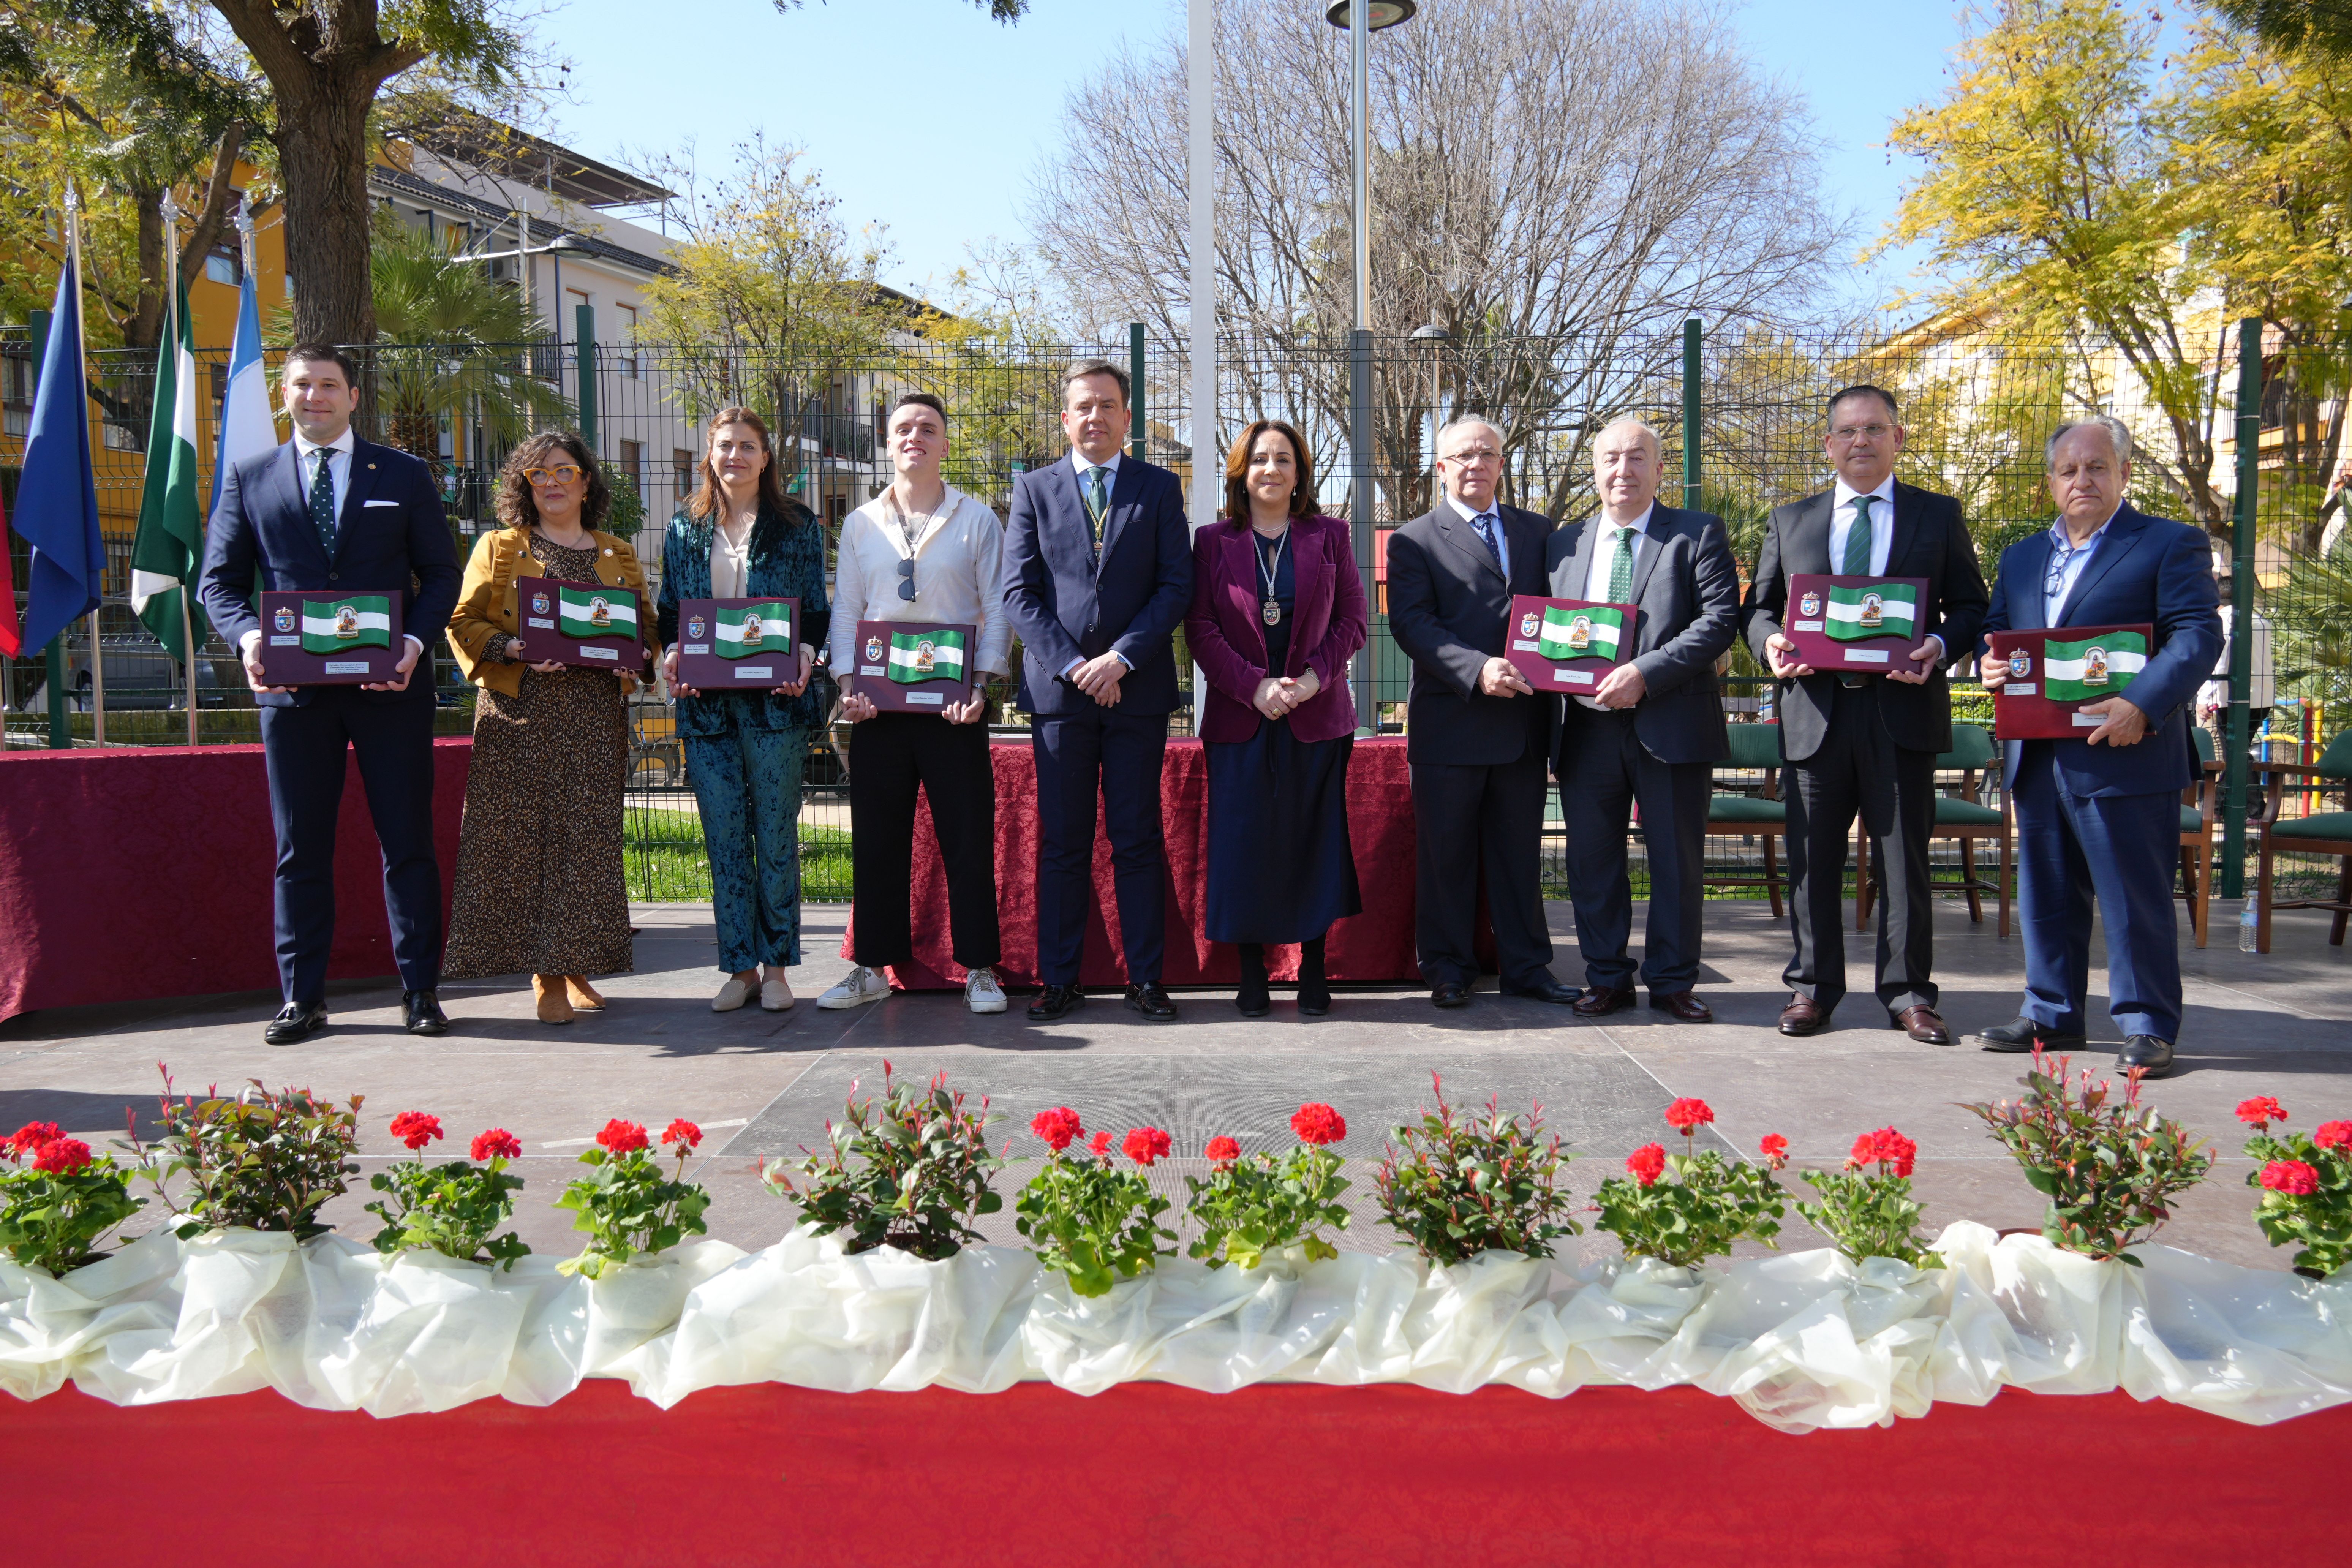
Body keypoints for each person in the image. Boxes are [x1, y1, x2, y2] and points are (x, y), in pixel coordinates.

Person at [196, 344, 461, 1043]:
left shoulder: (403, 475)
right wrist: (253, 642)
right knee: (299, 849)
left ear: (352, 395)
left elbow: (440, 575)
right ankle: (302, 998)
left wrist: (410, 646)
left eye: (329, 385)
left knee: (407, 844)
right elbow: (218, 585)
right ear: (286, 395)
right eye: (302, 385)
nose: (315, 396)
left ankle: (422, 993)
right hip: (293, 699)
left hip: (391, 690)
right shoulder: (250, 479)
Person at [1973, 416, 2223, 1077]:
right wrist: (1987, 665)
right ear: (2050, 483)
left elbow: (2198, 634)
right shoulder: (2023, 556)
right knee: (2046, 892)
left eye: (2097, 467)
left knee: (2132, 896)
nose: (2082, 480)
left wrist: (2143, 701)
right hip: (2037, 752)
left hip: (2128, 749)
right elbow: (1998, 630)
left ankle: (2147, 1026)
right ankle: (2051, 1015)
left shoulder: (2169, 543)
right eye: (2068, 470)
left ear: (2124, 473)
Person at [1741, 384, 1988, 1045]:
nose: (1861, 442)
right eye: (1848, 431)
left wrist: (1938, 645)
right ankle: (1812, 990)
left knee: (1904, 864)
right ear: (1828, 444)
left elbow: (1971, 607)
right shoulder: (1791, 521)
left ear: (1898, 439)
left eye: (1875, 429)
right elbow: (1759, 609)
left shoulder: (1938, 517)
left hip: (1900, 713)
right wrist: (1770, 643)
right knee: (1811, 860)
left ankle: (1909, 994)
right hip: (1816, 715)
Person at [1000, 360, 1193, 1024]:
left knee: (1137, 839)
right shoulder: (1033, 488)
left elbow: (1176, 587)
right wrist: (1075, 666)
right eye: (1083, 407)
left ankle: (1145, 979)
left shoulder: (1161, 489)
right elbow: (1018, 594)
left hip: (1136, 694)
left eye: (1108, 406)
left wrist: (1119, 660)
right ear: (1065, 417)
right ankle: (1060, 979)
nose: (1095, 417)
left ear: (1126, 418)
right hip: (1060, 698)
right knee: (1064, 843)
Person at [441, 433, 658, 1024]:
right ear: (524, 486)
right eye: (539, 474)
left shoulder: (617, 552)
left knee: (587, 843)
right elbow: (463, 619)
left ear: (587, 481)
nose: (554, 483)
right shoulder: (501, 547)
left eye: (565, 471)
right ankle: (546, 974)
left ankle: (574, 960)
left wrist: (631, 657)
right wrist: (513, 647)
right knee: (522, 842)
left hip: (593, 717)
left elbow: (645, 633)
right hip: (520, 715)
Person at [819, 392, 1010, 1016]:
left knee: (966, 839)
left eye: (929, 428)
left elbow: (998, 607)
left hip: (955, 709)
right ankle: (872, 967)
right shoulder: (859, 523)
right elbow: (847, 607)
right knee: (877, 841)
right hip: (878, 708)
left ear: (946, 444)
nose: (915, 437)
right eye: (903, 428)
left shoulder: (977, 519)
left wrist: (982, 688)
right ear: (888, 441)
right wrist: (849, 684)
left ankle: (981, 968)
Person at [1543, 417, 1740, 1022]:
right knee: (1592, 860)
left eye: (1637, 459)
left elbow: (1718, 622)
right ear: (1595, 470)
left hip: (1672, 723)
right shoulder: (1564, 543)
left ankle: (1674, 981)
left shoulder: (1697, 534)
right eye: (1610, 459)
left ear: (1660, 470)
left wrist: (1645, 673)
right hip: (1588, 727)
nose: (1622, 470)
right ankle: (1606, 978)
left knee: (1676, 861)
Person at [1386, 415, 1577, 1009]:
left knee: (1520, 856)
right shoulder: (1413, 539)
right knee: (1447, 856)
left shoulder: (1538, 531)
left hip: (1522, 726)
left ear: (1501, 463)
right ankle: (1447, 968)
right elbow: (1413, 625)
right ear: (1441, 468)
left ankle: (1528, 968)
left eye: (1487, 454)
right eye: (1463, 456)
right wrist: (1477, 668)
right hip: (1452, 724)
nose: (1476, 465)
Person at [1185, 419, 1369, 1018]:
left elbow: (1352, 621)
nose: (1271, 469)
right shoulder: (1213, 541)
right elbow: (1201, 628)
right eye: (1260, 459)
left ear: (1300, 473)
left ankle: (1313, 967)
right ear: (1242, 471)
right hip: (1242, 720)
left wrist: (1315, 679)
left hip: (1317, 716)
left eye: (1284, 460)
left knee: (1313, 843)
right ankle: (1251, 972)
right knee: (1243, 848)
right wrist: (1252, 687)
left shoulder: (1331, 535)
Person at [653, 408, 829, 1014]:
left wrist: (804, 656)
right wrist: (675, 656)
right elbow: (670, 611)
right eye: (725, 446)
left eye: (748, 446)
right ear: (710, 453)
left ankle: (778, 968)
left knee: (775, 835)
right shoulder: (684, 527)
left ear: (766, 457)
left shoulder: (797, 525)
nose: (736, 457)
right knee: (725, 836)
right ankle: (740, 968)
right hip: (707, 711)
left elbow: (816, 611)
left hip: (776, 708)